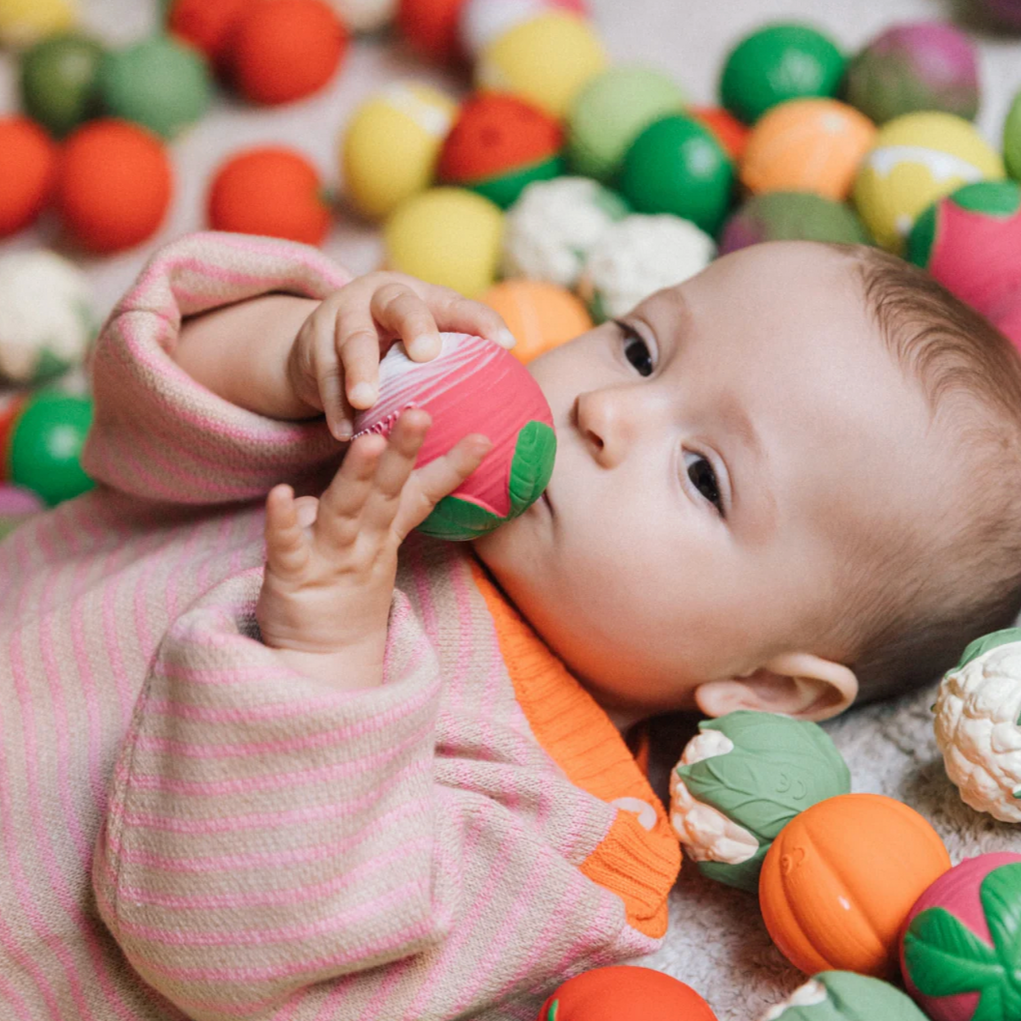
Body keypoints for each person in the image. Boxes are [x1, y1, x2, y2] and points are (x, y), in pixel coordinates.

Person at [4, 230, 1021, 1021]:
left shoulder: (571, 835)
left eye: (703, 475)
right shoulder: (387, 428)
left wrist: (320, 661)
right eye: (638, 346)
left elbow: (224, 953)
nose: (608, 411)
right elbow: (136, 435)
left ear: (769, 687)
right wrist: (296, 353)